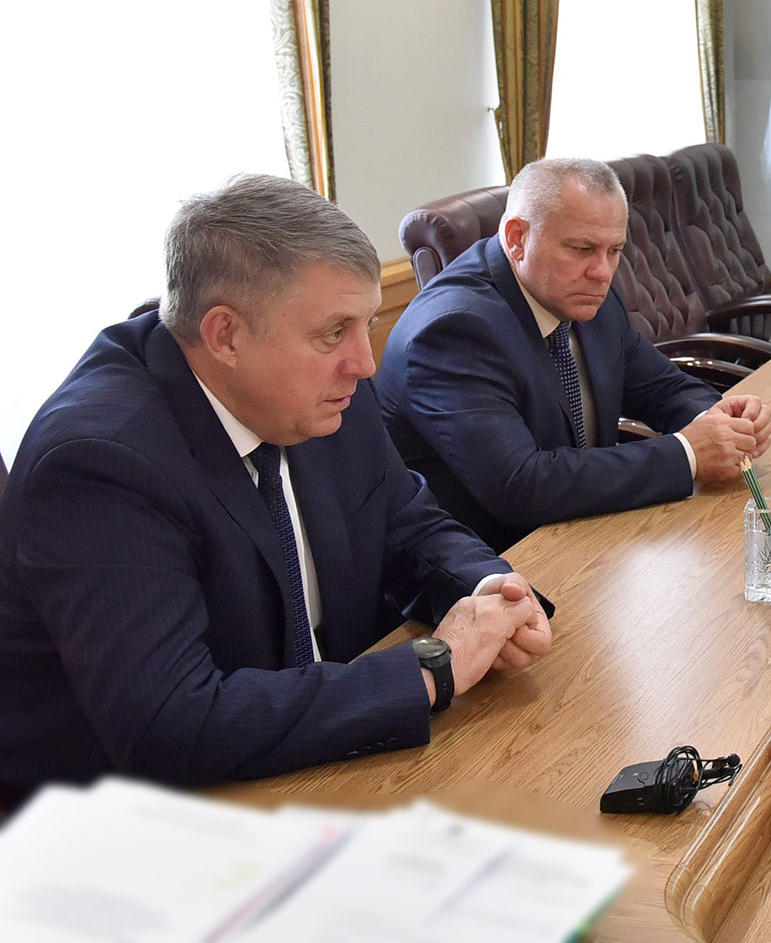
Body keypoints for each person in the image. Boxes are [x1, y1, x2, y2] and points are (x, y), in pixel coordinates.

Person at [0, 176, 552, 796]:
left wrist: (488, 589)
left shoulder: (318, 390)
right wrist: (432, 670)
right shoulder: (101, 464)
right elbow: (172, 724)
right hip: (135, 815)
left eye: (367, 323)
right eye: (334, 332)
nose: (365, 363)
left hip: (321, 760)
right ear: (225, 335)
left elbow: (407, 524)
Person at [377, 157, 771, 552]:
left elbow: (661, 387)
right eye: (582, 249)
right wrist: (688, 455)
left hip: (583, 532)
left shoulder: (582, 293)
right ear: (516, 239)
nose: (603, 272)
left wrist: (718, 421)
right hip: (494, 562)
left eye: (615, 250)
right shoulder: (454, 331)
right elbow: (522, 486)